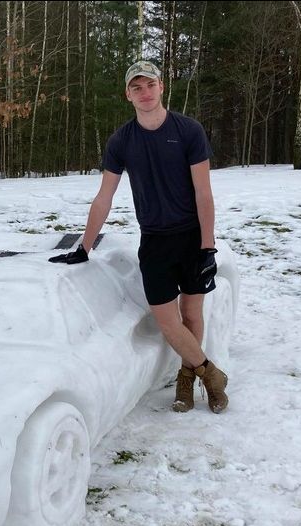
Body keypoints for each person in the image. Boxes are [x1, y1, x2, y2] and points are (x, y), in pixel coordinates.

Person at [49, 60, 228, 414]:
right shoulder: (121, 141)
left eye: (150, 85)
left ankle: (186, 378)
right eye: (137, 87)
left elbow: (203, 193)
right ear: (127, 95)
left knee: (192, 312)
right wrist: (84, 246)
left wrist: (207, 245)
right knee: (167, 320)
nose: (145, 92)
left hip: (192, 236)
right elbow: (104, 196)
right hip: (155, 241)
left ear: (161, 87)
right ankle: (211, 374)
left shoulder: (189, 131)